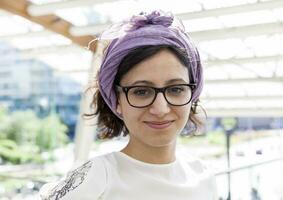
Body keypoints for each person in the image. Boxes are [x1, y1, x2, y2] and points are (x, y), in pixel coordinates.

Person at [39, 10, 217, 200]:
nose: (160, 109)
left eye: (176, 89)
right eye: (141, 92)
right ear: (117, 101)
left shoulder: (204, 176)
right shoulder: (97, 177)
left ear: (193, 93)